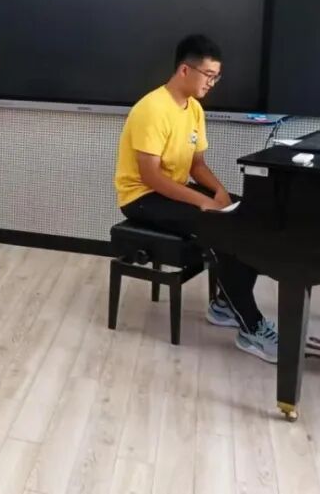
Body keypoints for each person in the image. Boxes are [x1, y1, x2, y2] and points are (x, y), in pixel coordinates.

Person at [114, 34, 278, 363]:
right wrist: (201, 202)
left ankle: (224, 305)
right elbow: (151, 177)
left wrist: (219, 191)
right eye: (208, 75)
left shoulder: (195, 110)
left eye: (216, 76)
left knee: (245, 213)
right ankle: (251, 327)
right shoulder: (152, 109)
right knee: (219, 226)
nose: (212, 83)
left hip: (171, 189)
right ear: (185, 70)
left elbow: (197, 165)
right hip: (142, 197)